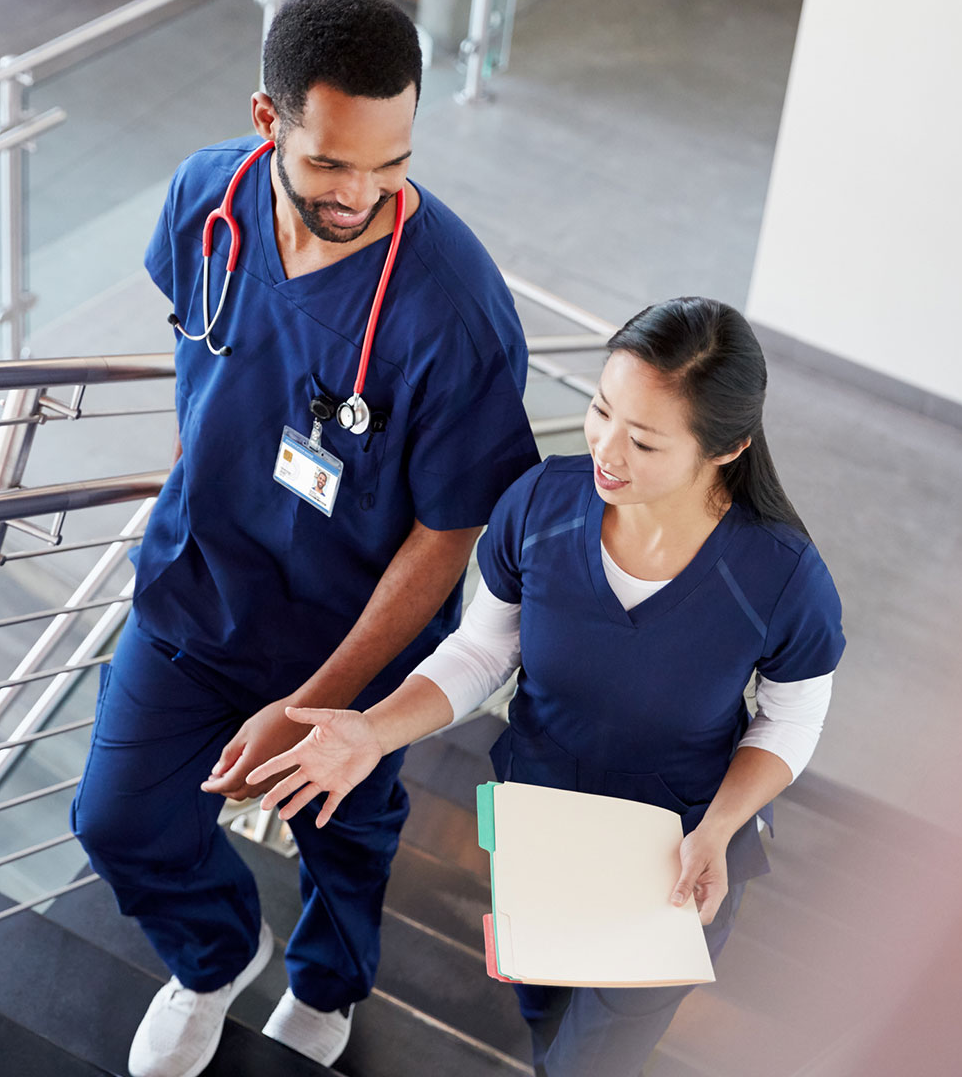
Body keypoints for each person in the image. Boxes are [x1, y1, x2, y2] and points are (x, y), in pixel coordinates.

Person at [70, 0, 538, 1077]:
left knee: (348, 837)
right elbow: (203, 354)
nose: (362, 194)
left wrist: (320, 702)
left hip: (356, 642)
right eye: (331, 163)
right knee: (118, 819)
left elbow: (446, 534)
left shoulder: (454, 311)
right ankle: (219, 954)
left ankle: (328, 984)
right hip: (195, 591)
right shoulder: (206, 198)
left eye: (392, 163)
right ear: (268, 118)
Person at [249, 296, 846, 1077]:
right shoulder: (539, 504)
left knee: (596, 1057)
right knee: (542, 1007)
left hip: (677, 854)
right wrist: (374, 729)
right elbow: (481, 652)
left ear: (727, 448)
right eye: (602, 410)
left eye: (645, 441)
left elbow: (789, 722)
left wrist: (722, 826)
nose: (608, 449)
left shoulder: (781, 577)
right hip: (541, 823)